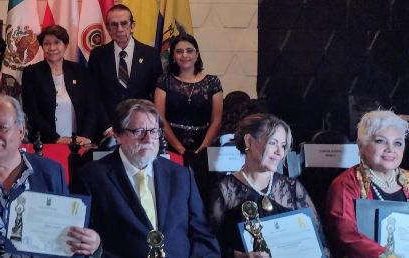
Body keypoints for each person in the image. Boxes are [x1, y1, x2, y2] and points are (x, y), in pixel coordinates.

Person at [0, 95, 101, 257]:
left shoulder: (50, 173)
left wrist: (91, 243)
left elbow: (67, 237)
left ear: (21, 131)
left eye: (2, 127)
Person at [70, 98, 219, 258]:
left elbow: (203, 238)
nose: (148, 140)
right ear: (118, 135)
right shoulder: (91, 179)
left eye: (154, 131)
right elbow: (78, 244)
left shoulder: (181, 176)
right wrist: (97, 248)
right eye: (139, 131)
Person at [208, 113, 328, 258]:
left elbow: (320, 243)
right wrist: (239, 256)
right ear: (248, 141)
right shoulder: (224, 190)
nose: (280, 152)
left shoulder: (293, 188)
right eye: (273, 143)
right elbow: (210, 245)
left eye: (283, 146)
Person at [326, 110, 409, 257]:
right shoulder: (345, 184)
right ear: (361, 146)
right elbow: (347, 235)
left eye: (397, 143)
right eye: (380, 141)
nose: (391, 149)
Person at [154, 34, 222, 199]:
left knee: (202, 193)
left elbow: (217, 119)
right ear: (173, 56)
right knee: (173, 193)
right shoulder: (164, 80)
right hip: (170, 144)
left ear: (197, 54)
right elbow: (159, 118)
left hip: (204, 144)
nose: (185, 55)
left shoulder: (213, 82)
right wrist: (179, 148)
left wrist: (203, 148)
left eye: (189, 51)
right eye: (179, 51)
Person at [88, 4, 162, 132]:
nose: (120, 29)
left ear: (132, 26)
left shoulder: (151, 55)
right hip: (107, 130)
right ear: (108, 28)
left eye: (124, 23)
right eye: (114, 25)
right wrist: (107, 128)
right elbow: (94, 96)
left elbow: (156, 95)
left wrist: (148, 125)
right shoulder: (97, 55)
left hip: (141, 129)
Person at [22, 25, 99, 146]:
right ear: (42, 46)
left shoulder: (80, 71)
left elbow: (92, 108)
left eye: (57, 42)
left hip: (80, 143)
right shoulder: (31, 73)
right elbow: (32, 112)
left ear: (66, 45)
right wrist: (56, 138)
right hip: (46, 143)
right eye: (47, 44)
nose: (52, 48)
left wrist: (86, 136)